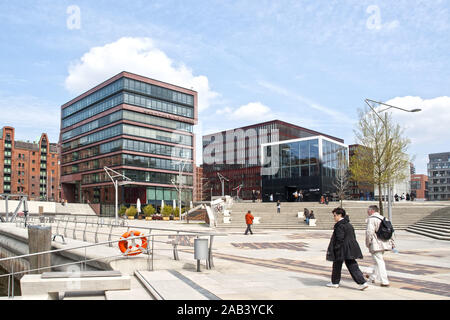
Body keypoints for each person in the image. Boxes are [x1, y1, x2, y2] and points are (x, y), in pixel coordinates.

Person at [326, 207, 368, 290]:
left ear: (339, 215)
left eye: (335, 215)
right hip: (350, 248)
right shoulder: (348, 224)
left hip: (342, 249)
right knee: (352, 265)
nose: (334, 217)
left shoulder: (340, 225)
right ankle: (362, 282)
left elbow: (339, 238)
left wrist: (336, 248)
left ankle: (335, 282)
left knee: (337, 265)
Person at [365, 205, 395, 287]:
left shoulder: (371, 219)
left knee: (380, 262)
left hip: (376, 244)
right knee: (377, 262)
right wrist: (392, 243)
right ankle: (372, 278)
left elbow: (369, 233)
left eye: (368, 210)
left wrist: (368, 243)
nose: (367, 212)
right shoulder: (384, 218)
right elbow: (391, 231)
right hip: (384, 243)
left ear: (372, 211)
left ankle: (384, 281)